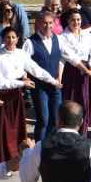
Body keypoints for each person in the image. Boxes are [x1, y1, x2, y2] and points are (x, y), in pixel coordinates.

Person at [0, 25, 59, 160]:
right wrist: (22, 83)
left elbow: (36, 69)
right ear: (3, 39)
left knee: (18, 127)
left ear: (18, 39)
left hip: (17, 95)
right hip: (3, 96)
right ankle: (6, 158)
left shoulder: (20, 53)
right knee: (6, 128)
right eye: (7, 37)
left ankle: (18, 156)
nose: (10, 40)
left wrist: (52, 80)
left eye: (13, 37)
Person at [23, 11, 67, 142]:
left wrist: (59, 76)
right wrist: (25, 78)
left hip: (55, 85)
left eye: (50, 23)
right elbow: (24, 63)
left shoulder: (58, 39)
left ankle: (51, 146)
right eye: (44, 23)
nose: (48, 26)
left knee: (55, 118)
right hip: (39, 87)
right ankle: (39, 148)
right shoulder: (30, 43)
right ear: (38, 24)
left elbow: (63, 58)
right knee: (43, 119)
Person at [59, 9, 91, 137]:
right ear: (68, 21)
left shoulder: (87, 36)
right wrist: (87, 70)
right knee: (70, 103)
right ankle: (68, 135)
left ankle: (82, 134)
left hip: (85, 73)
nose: (76, 22)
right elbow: (72, 58)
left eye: (78, 19)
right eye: (73, 20)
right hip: (71, 72)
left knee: (83, 103)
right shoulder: (62, 37)